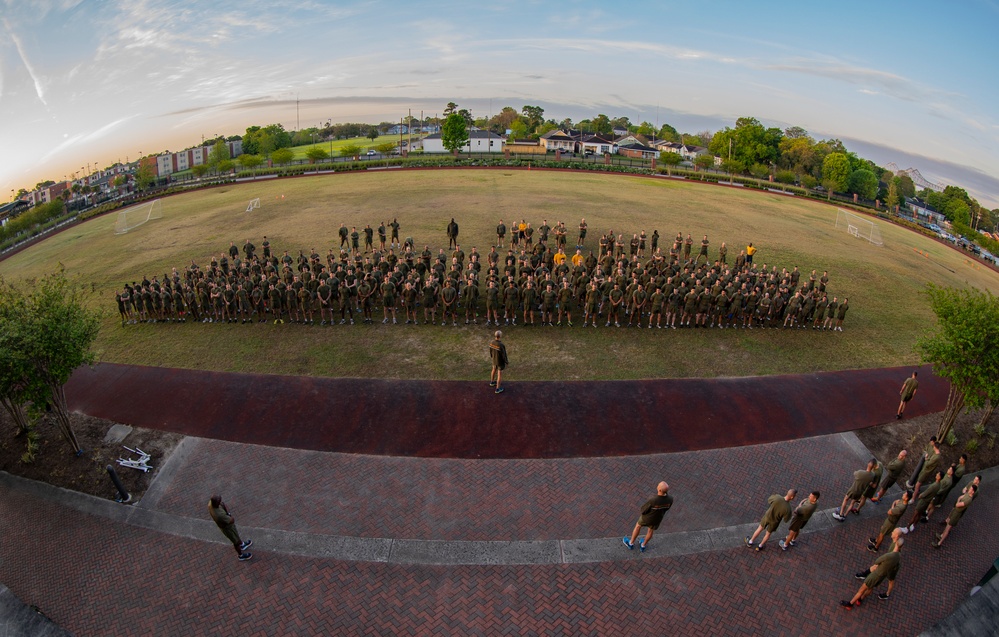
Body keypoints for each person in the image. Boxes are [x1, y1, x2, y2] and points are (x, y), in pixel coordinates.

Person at [841, 534, 904, 609]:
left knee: (861, 589)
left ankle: (850, 604)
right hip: (882, 576)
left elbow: (877, 561)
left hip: (876, 574)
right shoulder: (899, 556)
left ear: (896, 544)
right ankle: (861, 599)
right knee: (870, 588)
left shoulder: (889, 555)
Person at [623, 481, 673, 553]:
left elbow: (643, 510)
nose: (657, 485)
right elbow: (667, 508)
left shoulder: (653, 500)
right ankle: (643, 545)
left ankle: (631, 543)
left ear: (659, 490)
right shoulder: (670, 499)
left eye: (658, 485)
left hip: (647, 518)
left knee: (638, 526)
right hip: (657, 519)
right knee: (650, 531)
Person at [209, 495, 252, 561]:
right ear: (216, 503)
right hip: (228, 529)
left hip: (229, 526)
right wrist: (228, 513)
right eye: (219, 501)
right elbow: (231, 520)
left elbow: (223, 504)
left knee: (236, 537)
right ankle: (240, 555)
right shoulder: (219, 515)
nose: (220, 502)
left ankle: (242, 545)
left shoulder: (210, 504)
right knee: (235, 541)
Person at [933, 483, 977, 548]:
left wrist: (958, 502)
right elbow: (960, 497)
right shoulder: (967, 494)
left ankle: (939, 543)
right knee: (948, 524)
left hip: (957, 513)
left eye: (971, 489)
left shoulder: (969, 500)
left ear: (973, 491)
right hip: (955, 511)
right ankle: (941, 535)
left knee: (948, 528)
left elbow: (958, 504)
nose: (969, 489)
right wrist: (958, 501)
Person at [489, 330, 508, 394]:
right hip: (500, 362)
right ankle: (498, 388)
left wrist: (492, 356)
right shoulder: (501, 345)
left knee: (493, 369)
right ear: (500, 336)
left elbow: (491, 351)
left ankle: (492, 382)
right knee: (499, 374)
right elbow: (504, 354)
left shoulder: (491, 342)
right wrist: (506, 361)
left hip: (494, 360)